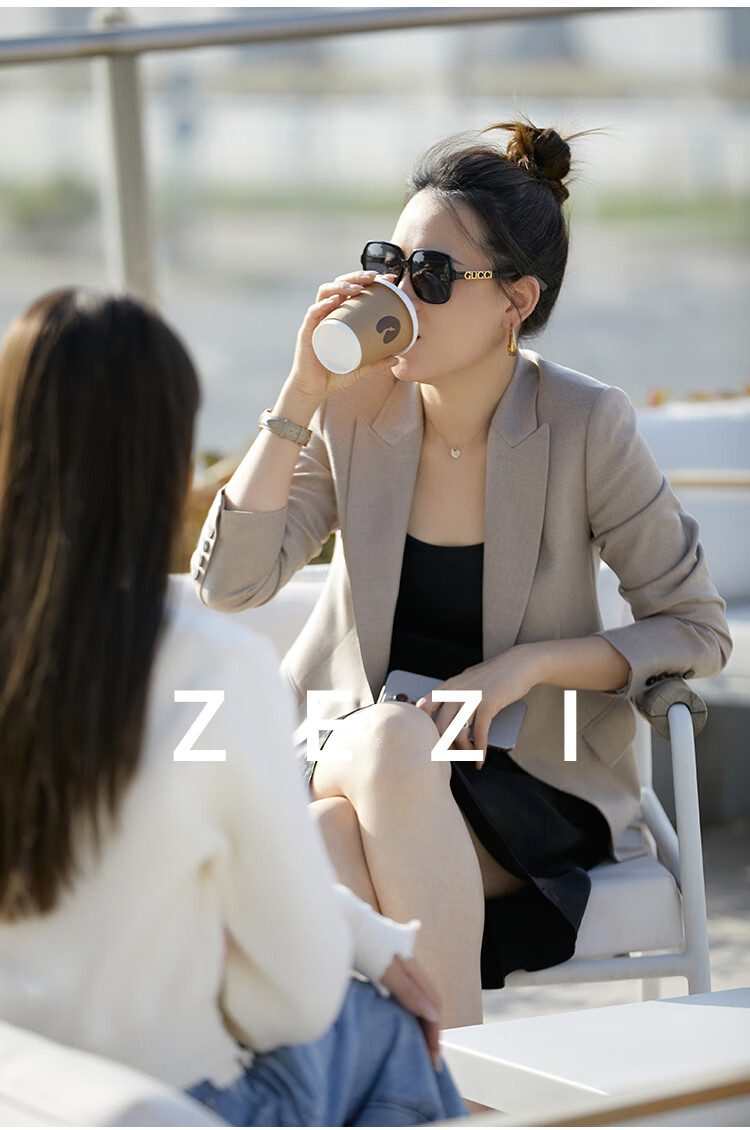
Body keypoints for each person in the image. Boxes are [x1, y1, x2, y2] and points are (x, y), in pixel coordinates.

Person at [192, 118, 733, 1033]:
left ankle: (426, 1084)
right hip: (356, 752)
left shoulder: (584, 424)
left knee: (328, 841)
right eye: (388, 265)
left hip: (529, 780)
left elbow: (696, 627)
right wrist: (300, 394)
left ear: (516, 301)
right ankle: (460, 1085)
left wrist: (523, 668)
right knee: (391, 744)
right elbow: (230, 586)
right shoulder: (352, 411)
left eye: (433, 276)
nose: (400, 294)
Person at [0, 288, 469, 1126]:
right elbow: (292, 1001)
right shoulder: (206, 667)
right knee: (391, 1034)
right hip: (175, 1100)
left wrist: (364, 936)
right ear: (168, 464)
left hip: (25, 1091)